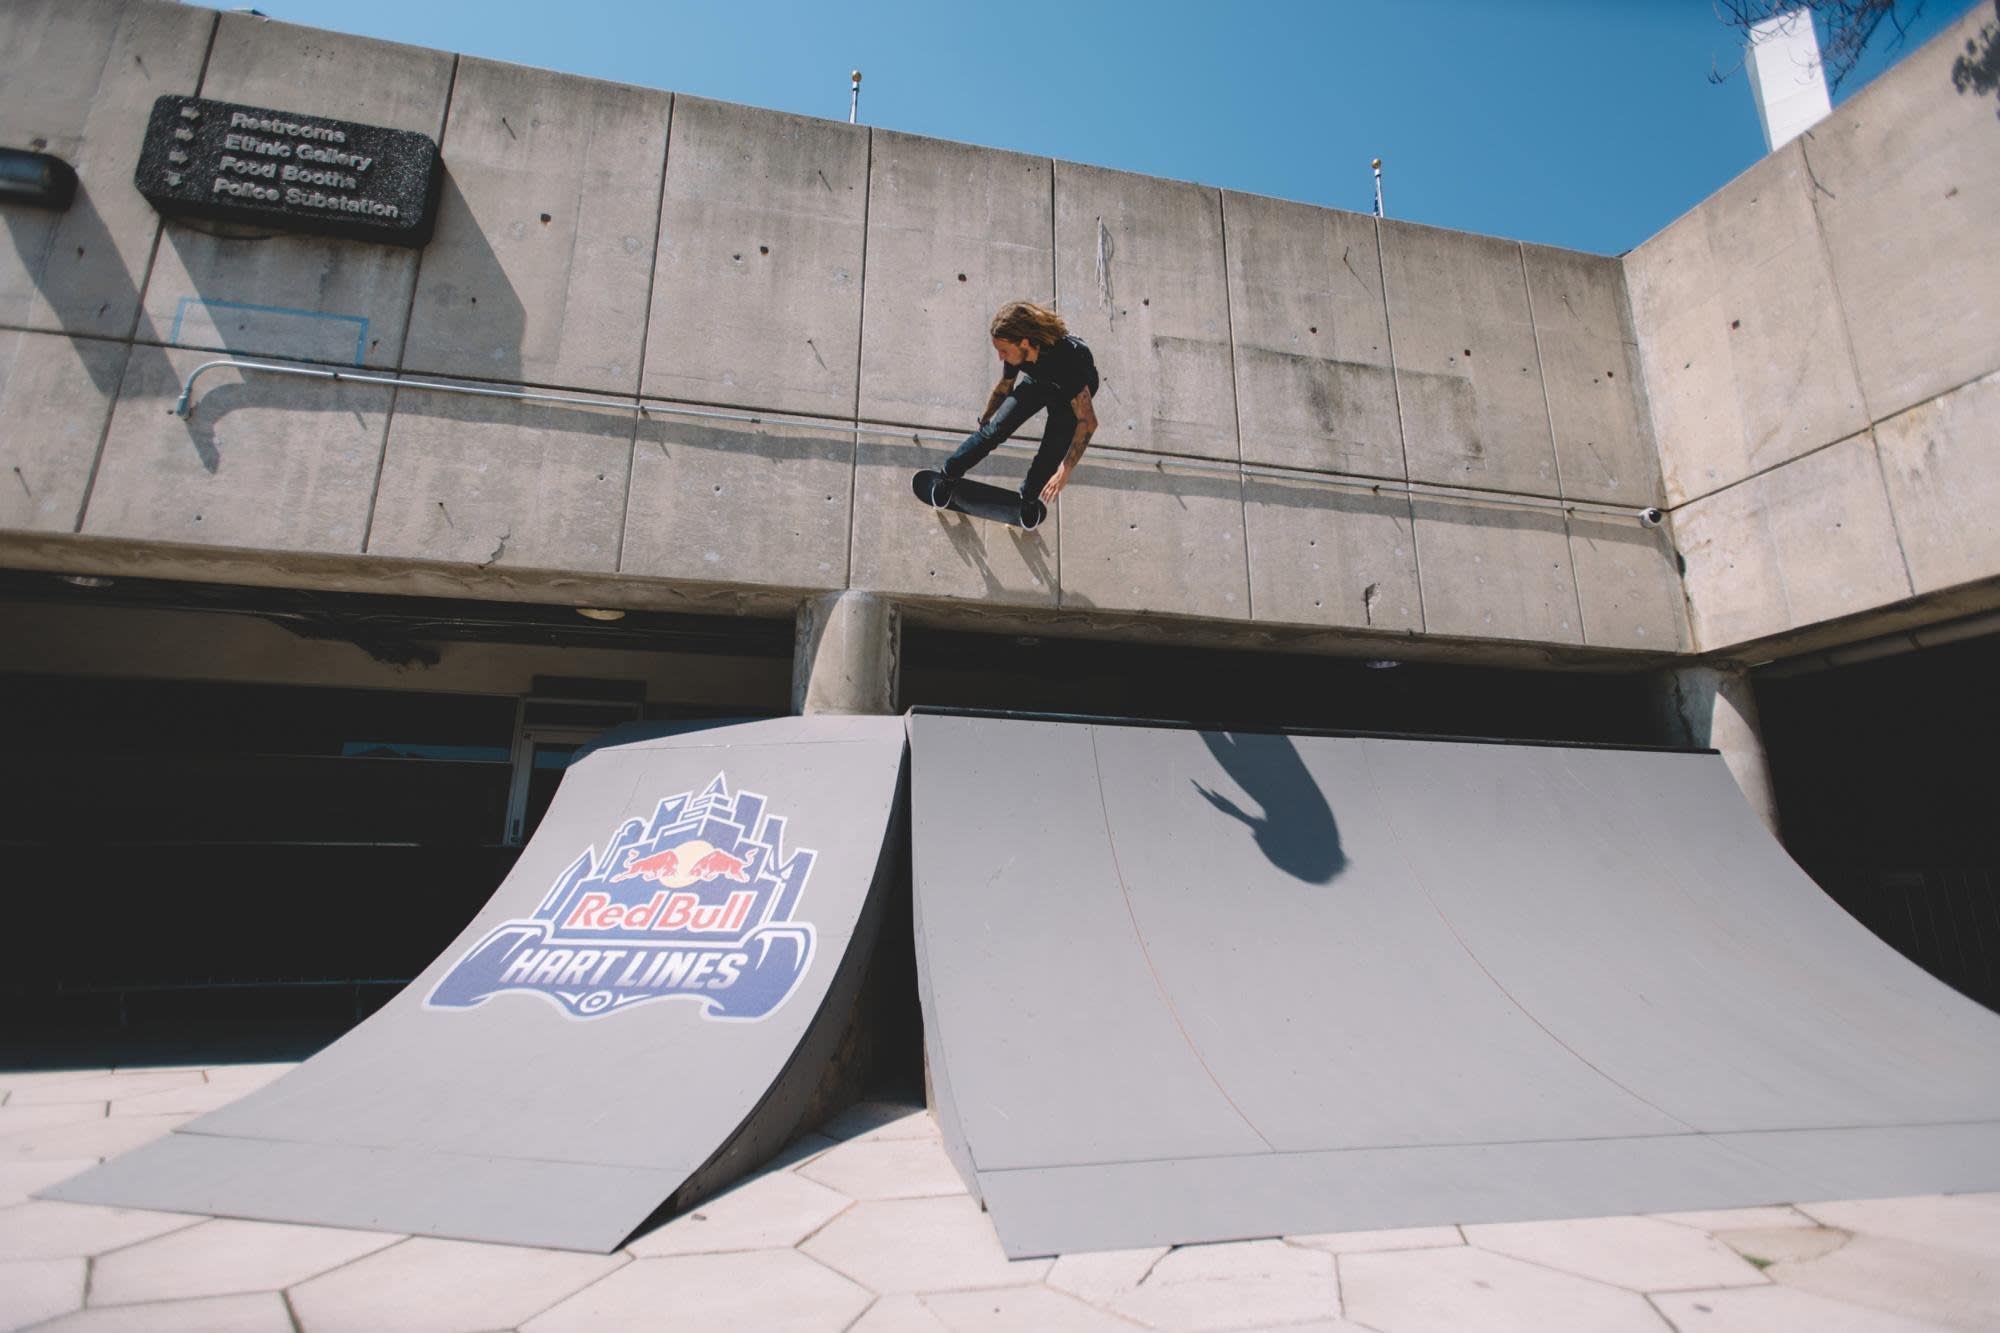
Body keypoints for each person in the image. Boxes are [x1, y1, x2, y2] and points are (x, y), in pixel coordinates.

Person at [936, 300, 1099, 528]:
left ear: (1024, 342)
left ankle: (1028, 498)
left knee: (1049, 456)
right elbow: (1005, 387)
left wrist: (1065, 471)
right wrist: (986, 418)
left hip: (1068, 399)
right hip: (1039, 382)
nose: (1001, 357)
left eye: (1003, 351)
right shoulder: (1018, 352)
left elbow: (1088, 422)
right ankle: (948, 475)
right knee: (994, 432)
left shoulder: (1068, 362)